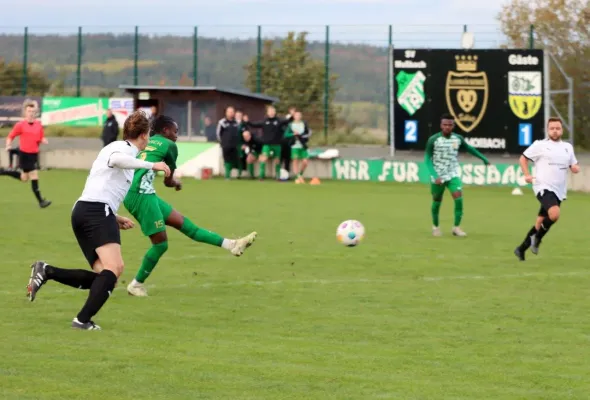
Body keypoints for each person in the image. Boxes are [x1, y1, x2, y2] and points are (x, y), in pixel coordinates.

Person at [26, 111, 171, 330]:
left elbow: (103, 184)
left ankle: (47, 271)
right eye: (148, 134)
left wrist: (114, 216)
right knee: (115, 268)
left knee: (104, 276)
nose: (148, 139)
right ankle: (82, 320)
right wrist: (152, 165)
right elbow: (117, 161)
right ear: (143, 135)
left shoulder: (115, 147)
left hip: (85, 210)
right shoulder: (122, 150)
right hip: (95, 211)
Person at [124, 115, 257, 297]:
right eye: (175, 131)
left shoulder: (149, 141)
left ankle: (232, 244)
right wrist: (176, 183)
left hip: (139, 192)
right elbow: (168, 180)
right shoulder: (170, 146)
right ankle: (136, 284)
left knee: (188, 227)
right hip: (141, 196)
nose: (177, 135)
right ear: (165, 131)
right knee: (160, 245)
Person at [514, 117, 579, 261]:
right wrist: (527, 175)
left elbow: (574, 164)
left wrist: (575, 168)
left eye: (557, 128)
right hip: (543, 186)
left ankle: (521, 249)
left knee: (540, 222)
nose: (555, 131)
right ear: (548, 130)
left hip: (559, 190)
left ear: (562, 130)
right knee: (554, 214)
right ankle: (537, 239)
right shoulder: (540, 145)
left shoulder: (567, 147)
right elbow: (523, 158)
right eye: (552, 128)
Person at [424, 113, 490, 237]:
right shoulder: (433, 140)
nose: (447, 127)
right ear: (441, 125)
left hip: (453, 173)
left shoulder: (457, 139)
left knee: (458, 198)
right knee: (437, 201)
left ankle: (456, 228)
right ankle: (436, 227)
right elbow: (427, 159)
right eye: (445, 125)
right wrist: (435, 175)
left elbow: (470, 149)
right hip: (437, 175)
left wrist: (483, 158)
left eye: (450, 125)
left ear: (453, 126)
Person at [0, 100, 51, 208]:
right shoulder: (20, 125)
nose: (31, 113)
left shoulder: (38, 125)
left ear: (35, 112)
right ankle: (41, 201)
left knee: (24, 178)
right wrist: (8, 145)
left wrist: (43, 139)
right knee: (34, 175)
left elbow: (40, 136)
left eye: (33, 111)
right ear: (25, 112)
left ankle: (3, 172)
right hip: (24, 154)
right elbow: (11, 136)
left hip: (33, 155)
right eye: (29, 111)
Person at [246, 106, 294, 180]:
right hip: (267, 145)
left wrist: (292, 115)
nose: (271, 112)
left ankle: (278, 176)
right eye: (270, 111)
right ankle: (261, 176)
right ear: (267, 113)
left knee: (277, 160)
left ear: (275, 112)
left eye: (273, 111)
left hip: (277, 144)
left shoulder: (279, 121)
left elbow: (288, 121)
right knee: (263, 159)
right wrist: (247, 121)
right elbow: (254, 125)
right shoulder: (264, 121)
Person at [284, 111, 312, 184]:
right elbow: (286, 134)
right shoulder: (291, 125)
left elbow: (308, 133)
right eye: (296, 115)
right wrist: (293, 134)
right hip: (294, 146)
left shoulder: (304, 124)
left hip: (303, 145)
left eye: (299, 115)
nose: (298, 116)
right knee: (295, 161)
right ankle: (298, 177)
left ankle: (300, 174)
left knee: (305, 162)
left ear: (301, 116)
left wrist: (302, 136)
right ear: (294, 116)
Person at [217, 106, 241, 179]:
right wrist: (222, 142)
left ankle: (234, 174)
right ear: (226, 113)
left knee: (234, 160)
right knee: (227, 160)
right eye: (229, 112)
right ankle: (227, 176)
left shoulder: (236, 122)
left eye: (232, 112)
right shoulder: (222, 122)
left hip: (235, 145)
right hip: (226, 145)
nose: (231, 113)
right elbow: (218, 134)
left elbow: (239, 133)